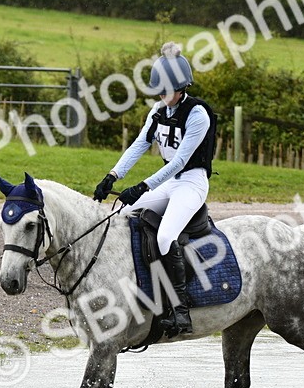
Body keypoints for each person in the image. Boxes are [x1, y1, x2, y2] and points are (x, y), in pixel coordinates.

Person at [93, 42, 217, 337]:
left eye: (166, 90)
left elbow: (180, 162)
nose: (161, 95)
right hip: (170, 183)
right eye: (158, 90)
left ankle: (181, 310)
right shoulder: (158, 111)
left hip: (192, 182)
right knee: (122, 213)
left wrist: (142, 186)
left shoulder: (198, 114)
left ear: (181, 86)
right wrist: (112, 175)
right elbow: (139, 145)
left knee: (164, 236)